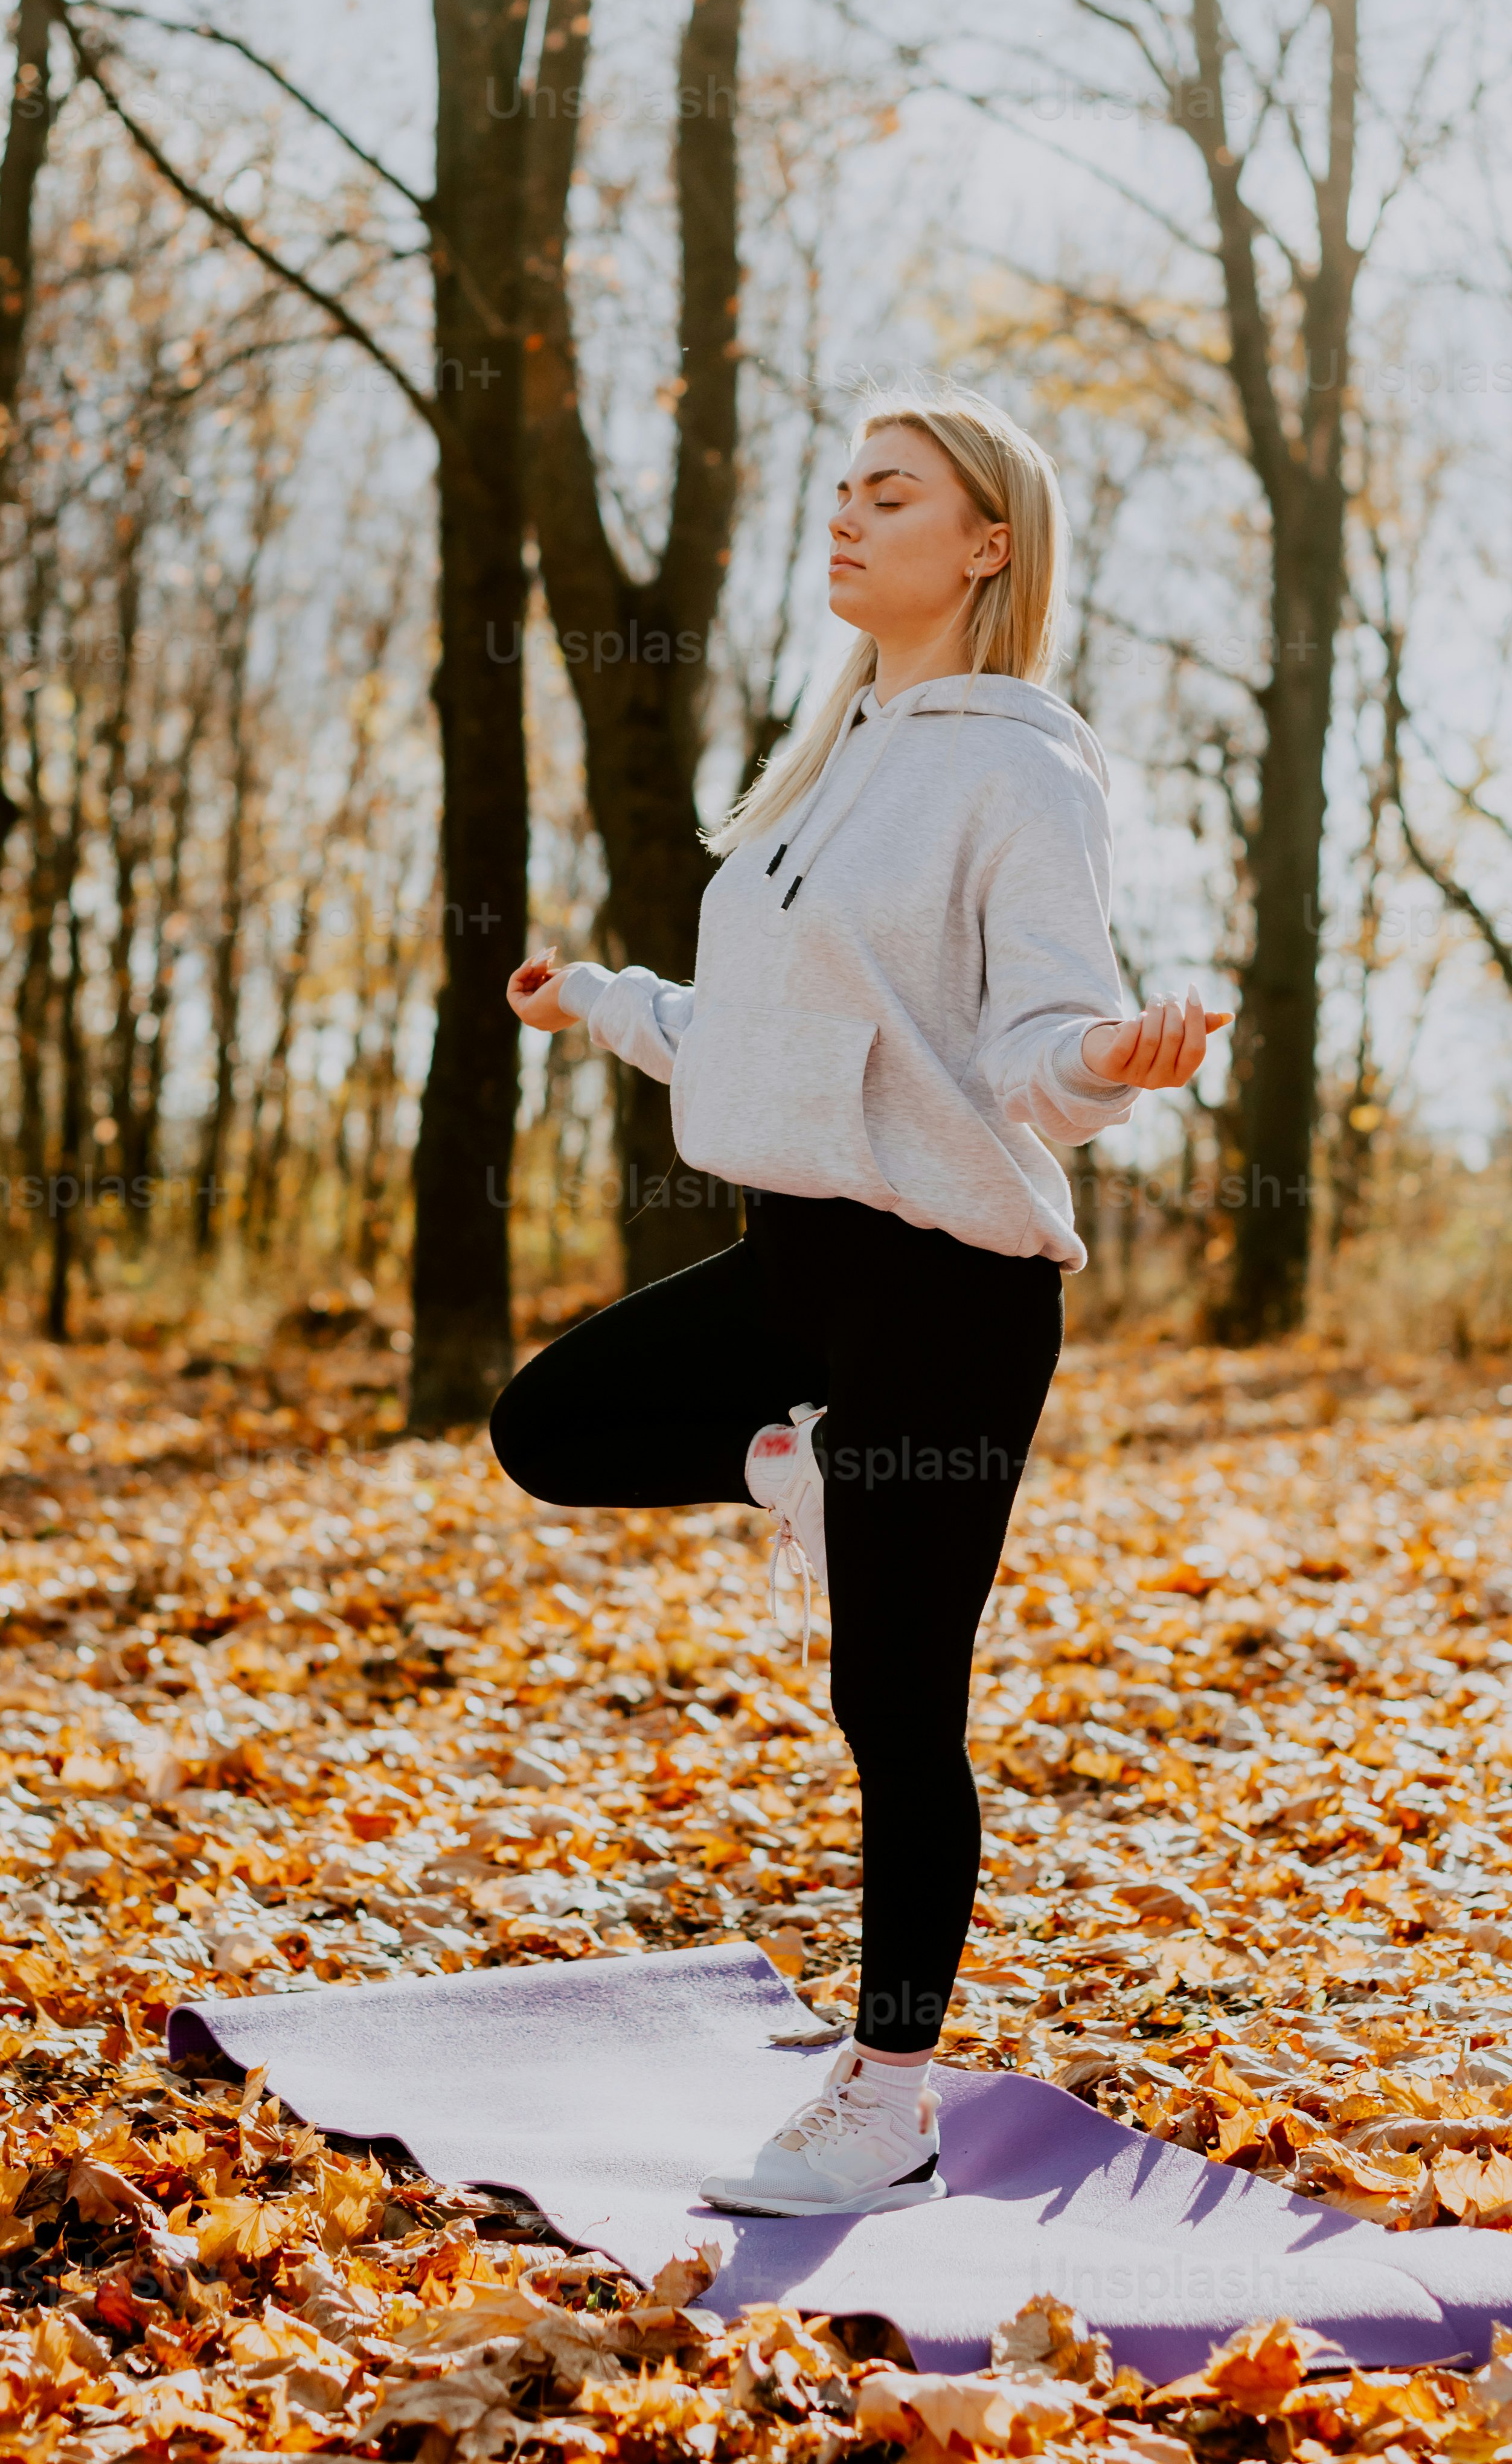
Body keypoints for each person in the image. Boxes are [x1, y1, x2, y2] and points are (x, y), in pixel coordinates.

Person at [488, 391, 1228, 2218]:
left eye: (889, 495)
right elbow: (773, 1033)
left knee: (895, 1709)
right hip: (797, 1263)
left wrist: (1113, 1064)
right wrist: (608, 1001)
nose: (846, 517)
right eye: (841, 490)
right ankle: (782, 1460)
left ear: (984, 544)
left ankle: (891, 2096)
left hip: (946, 1297)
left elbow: (1033, 1043)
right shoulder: (827, 766)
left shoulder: (1021, 770)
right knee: (547, 1429)